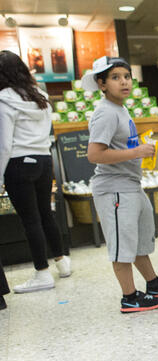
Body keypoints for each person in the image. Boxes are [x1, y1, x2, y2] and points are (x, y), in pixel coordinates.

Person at [85, 56, 158, 313]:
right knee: (121, 246)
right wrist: (136, 152)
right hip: (114, 189)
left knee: (138, 239)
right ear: (102, 84)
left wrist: (137, 148)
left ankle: (152, 283)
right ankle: (129, 296)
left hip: (129, 184)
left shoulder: (119, 108)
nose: (124, 82)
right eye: (116, 78)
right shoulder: (105, 112)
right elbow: (95, 154)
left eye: (127, 76)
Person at [0, 50, 72, 293]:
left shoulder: (3, 100)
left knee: (29, 219)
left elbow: (4, 144)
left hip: (18, 164)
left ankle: (42, 273)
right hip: (43, 160)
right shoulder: (40, 95)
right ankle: (62, 262)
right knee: (45, 214)